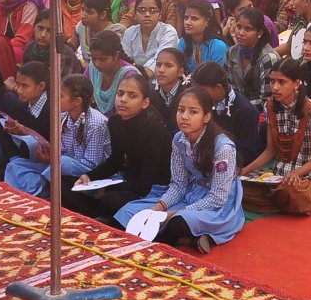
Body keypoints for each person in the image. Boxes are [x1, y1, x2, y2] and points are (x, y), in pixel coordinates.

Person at [119, 87, 245, 254]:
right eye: (180, 110)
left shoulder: (223, 147)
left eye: (193, 112)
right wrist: (158, 208)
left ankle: (187, 236)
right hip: (190, 194)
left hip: (218, 204)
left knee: (178, 222)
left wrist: (174, 213)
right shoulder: (179, 139)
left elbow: (218, 198)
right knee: (130, 211)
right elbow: (178, 185)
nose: (184, 117)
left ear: (206, 116)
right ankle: (187, 239)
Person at [64, 71, 172, 225]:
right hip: (128, 181)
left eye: (132, 96)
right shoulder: (114, 123)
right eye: (120, 94)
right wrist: (89, 177)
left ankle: (107, 218)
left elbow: (144, 185)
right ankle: (105, 218)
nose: (123, 100)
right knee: (66, 184)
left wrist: (107, 188)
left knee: (110, 200)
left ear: (145, 103)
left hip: (153, 188)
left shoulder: (154, 131)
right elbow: (115, 161)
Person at [240, 59, 311, 216]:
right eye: (272, 81)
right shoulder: (270, 106)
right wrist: (244, 171)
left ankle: (290, 199)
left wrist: (295, 174)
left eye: (282, 82)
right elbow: (270, 151)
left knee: (290, 192)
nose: (275, 87)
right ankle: (286, 202)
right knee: (238, 187)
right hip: (277, 175)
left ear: (296, 84)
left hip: (305, 178)